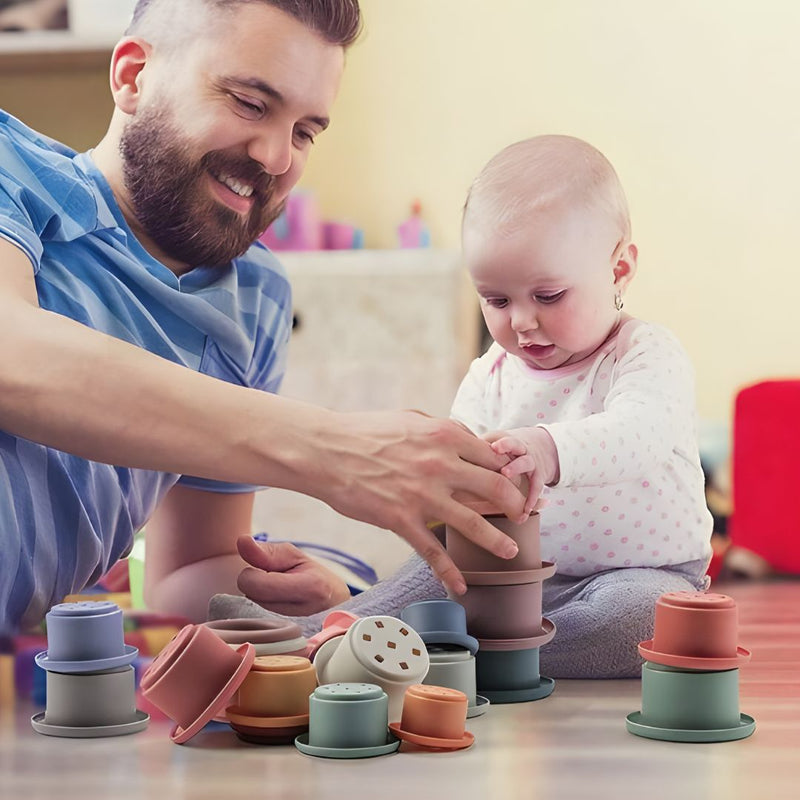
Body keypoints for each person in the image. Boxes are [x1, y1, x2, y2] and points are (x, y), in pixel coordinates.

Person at [0, 0, 528, 637]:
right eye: (251, 103)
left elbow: (186, 572)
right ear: (133, 76)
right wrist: (335, 450)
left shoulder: (254, 296)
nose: (278, 157)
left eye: (306, 131)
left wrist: (307, 594)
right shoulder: (13, 170)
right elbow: (13, 356)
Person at [211, 135, 714, 678]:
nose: (521, 322)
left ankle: (456, 652)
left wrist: (546, 448)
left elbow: (641, 432)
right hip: (510, 575)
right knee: (439, 564)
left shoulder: (643, 353)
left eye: (548, 296)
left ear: (617, 271)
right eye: (496, 300)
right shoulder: (490, 372)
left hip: (639, 573)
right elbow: (453, 466)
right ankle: (325, 632)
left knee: (644, 621)